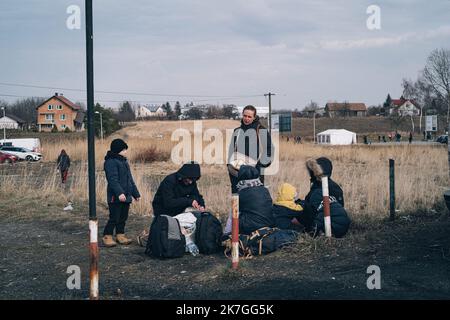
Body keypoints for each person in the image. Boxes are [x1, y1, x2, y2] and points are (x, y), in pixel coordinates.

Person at [103, 139, 141, 247]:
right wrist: (119, 193)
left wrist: (136, 194)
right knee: (114, 217)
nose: (126, 152)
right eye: (124, 150)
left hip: (127, 196)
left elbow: (130, 180)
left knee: (123, 217)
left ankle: (120, 235)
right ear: (117, 150)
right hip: (115, 197)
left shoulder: (124, 162)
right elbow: (112, 180)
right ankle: (107, 236)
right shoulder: (110, 162)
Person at [228, 105, 274, 194]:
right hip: (237, 172)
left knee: (254, 200)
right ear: (242, 115)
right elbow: (231, 150)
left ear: (254, 117)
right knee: (237, 201)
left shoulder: (261, 130)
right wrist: (229, 166)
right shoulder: (237, 131)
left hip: (255, 174)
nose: (246, 119)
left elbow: (269, 150)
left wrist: (259, 167)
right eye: (245, 116)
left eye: (249, 116)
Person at [305, 157, 351, 238]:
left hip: (330, 224)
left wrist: (311, 229)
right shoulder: (317, 185)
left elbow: (335, 209)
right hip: (322, 218)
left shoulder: (331, 187)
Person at [224, 165, 274, 235]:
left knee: (235, 212)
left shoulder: (240, 194)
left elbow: (233, 215)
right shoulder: (265, 190)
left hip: (250, 228)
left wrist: (227, 233)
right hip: (269, 224)